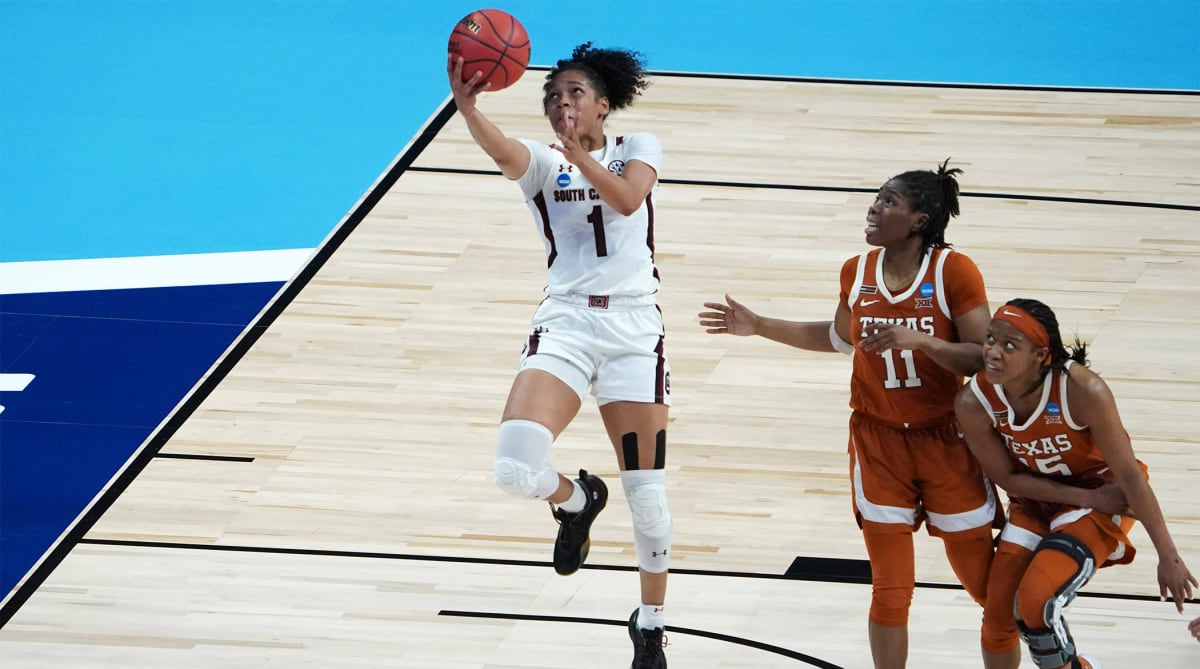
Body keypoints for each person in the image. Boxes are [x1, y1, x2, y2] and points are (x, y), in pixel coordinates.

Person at [699, 161, 1000, 669]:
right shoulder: (855, 271)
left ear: (920, 218)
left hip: (948, 440)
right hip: (877, 442)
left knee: (988, 590)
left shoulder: (953, 270)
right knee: (889, 590)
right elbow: (841, 340)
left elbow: (983, 356)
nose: (874, 208)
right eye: (876, 198)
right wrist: (759, 325)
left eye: (888, 201)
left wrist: (920, 339)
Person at [448, 42, 671, 669]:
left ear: (603, 105)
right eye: (552, 95)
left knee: (649, 503)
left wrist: (581, 157)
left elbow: (628, 200)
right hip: (566, 324)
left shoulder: (637, 148)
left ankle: (650, 624)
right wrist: (469, 110)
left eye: (574, 92)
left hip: (633, 330)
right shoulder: (546, 164)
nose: (561, 102)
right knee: (514, 469)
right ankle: (576, 502)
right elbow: (504, 152)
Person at [954, 298, 1197, 669]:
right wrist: (1086, 496)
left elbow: (1130, 474)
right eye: (990, 340)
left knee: (1036, 600)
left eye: (1009, 345)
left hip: (1103, 498)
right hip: (1042, 500)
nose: (993, 353)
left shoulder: (1083, 391)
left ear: (1040, 355)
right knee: (997, 619)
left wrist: (1168, 556)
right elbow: (1007, 478)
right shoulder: (974, 401)